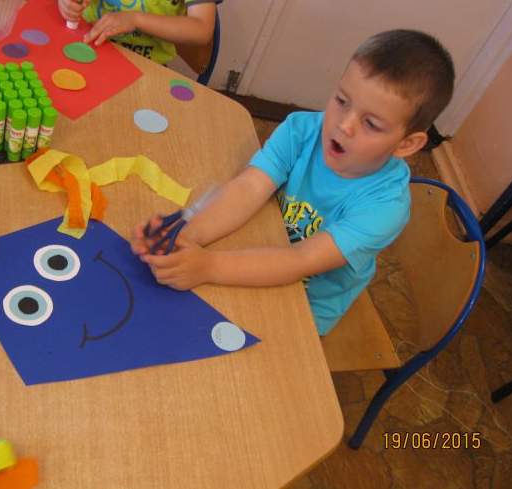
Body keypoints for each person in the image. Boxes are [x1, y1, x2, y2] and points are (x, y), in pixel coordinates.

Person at [131, 29, 456, 335]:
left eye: (371, 123)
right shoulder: (302, 130)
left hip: (308, 302)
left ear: (406, 144)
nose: (343, 125)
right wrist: (188, 236)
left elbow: (302, 260)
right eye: (342, 100)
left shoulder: (385, 208)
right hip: (261, 245)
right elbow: (250, 187)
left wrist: (208, 267)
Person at [56, 0, 217, 65]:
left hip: (146, 66)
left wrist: (136, 20)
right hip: (85, 48)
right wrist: (66, 4)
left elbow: (202, 28)